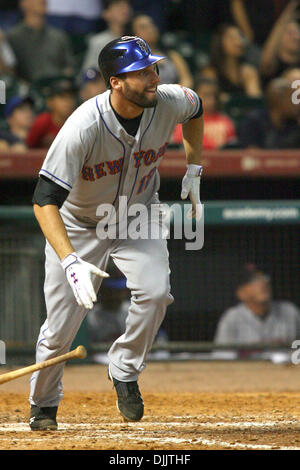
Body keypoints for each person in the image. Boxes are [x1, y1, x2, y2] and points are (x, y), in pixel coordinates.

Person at [29, 36, 204, 430]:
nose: (152, 78)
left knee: (156, 292)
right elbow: (44, 200)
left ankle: (124, 368)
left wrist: (195, 166)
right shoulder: (82, 127)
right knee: (59, 330)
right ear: (115, 83)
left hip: (137, 215)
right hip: (78, 224)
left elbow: (197, 108)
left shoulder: (168, 99)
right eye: (140, 72)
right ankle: (43, 405)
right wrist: (71, 259)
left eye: (153, 68)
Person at [214, 264, 300, 346]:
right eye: (254, 280)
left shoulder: (290, 311)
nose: (262, 283)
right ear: (241, 293)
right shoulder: (232, 318)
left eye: (264, 278)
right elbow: (223, 357)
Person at [7, 0, 74, 82]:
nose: (43, 1)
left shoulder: (59, 36)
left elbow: (69, 68)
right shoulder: (13, 37)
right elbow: (10, 72)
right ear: (23, 3)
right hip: (27, 91)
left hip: (57, 90)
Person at [127, 14, 193, 88]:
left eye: (151, 25)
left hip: (174, 96)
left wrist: (175, 95)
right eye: (143, 27)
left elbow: (187, 79)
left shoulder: (172, 55)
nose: (150, 29)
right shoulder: (129, 60)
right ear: (132, 33)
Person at [201, 24, 262, 101]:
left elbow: (255, 100)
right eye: (232, 38)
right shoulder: (211, 72)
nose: (238, 42)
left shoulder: (248, 72)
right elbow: (209, 99)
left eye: (240, 37)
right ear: (220, 42)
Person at [172, 77, 237, 149]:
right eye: (206, 95)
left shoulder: (225, 121)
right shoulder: (185, 122)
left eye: (214, 96)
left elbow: (232, 149)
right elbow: (181, 148)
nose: (212, 101)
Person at [239, 77, 300, 148]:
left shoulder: (294, 123)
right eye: (292, 98)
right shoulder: (254, 121)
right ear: (277, 99)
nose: (297, 103)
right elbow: (251, 153)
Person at [27, 78, 77, 149]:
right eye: (62, 97)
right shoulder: (42, 122)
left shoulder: (78, 121)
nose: (67, 102)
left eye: (71, 97)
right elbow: (28, 148)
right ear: (50, 102)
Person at [82, 0, 131, 71]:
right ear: (106, 13)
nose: (125, 9)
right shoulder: (98, 42)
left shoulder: (138, 36)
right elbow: (89, 72)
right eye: (118, 5)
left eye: (126, 5)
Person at [260, 1, 300, 84]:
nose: (295, 37)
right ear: (280, 38)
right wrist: (291, 7)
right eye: (290, 33)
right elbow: (280, 26)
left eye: (297, 33)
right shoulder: (271, 63)